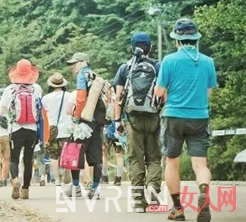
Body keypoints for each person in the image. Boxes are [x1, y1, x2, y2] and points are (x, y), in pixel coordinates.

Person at [154, 18, 217, 222]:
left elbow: (159, 91)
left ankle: (178, 209)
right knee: (200, 164)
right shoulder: (208, 61)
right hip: (199, 117)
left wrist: (165, 97)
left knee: (172, 163)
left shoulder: (169, 60)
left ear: (177, 40)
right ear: (196, 38)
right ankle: (203, 191)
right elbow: (209, 94)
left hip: (174, 116)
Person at [113, 32, 162, 212]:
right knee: (154, 158)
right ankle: (154, 196)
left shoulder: (125, 68)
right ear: (151, 47)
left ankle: (139, 202)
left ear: (132, 48)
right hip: (154, 118)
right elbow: (163, 94)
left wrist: (117, 120)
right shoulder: (158, 66)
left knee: (135, 160)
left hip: (132, 120)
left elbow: (118, 97)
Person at [0, 59, 44, 200]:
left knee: (14, 158)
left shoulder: (10, 89)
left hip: (15, 128)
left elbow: (2, 109)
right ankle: (25, 189)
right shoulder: (36, 88)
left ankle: (15, 180)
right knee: (28, 158)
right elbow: (39, 106)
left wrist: (12, 113)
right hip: (32, 129)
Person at [65, 52, 104, 199]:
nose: (73, 66)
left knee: (74, 152)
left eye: (75, 63)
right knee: (96, 157)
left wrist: (76, 118)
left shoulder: (82, 75)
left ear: (83, 62)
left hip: (84, 121)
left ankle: (76, 187)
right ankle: (95, 189)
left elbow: (81, 99)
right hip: (96, 122)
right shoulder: (94, 75)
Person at [42, 72, 73, 187]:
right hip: (68, 129)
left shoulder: (45, 98)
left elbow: (45, 112)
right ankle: (66, 171)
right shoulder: (69, 96)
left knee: (53, 156)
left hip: (53, 131)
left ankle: (57, 180)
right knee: (67, 154)